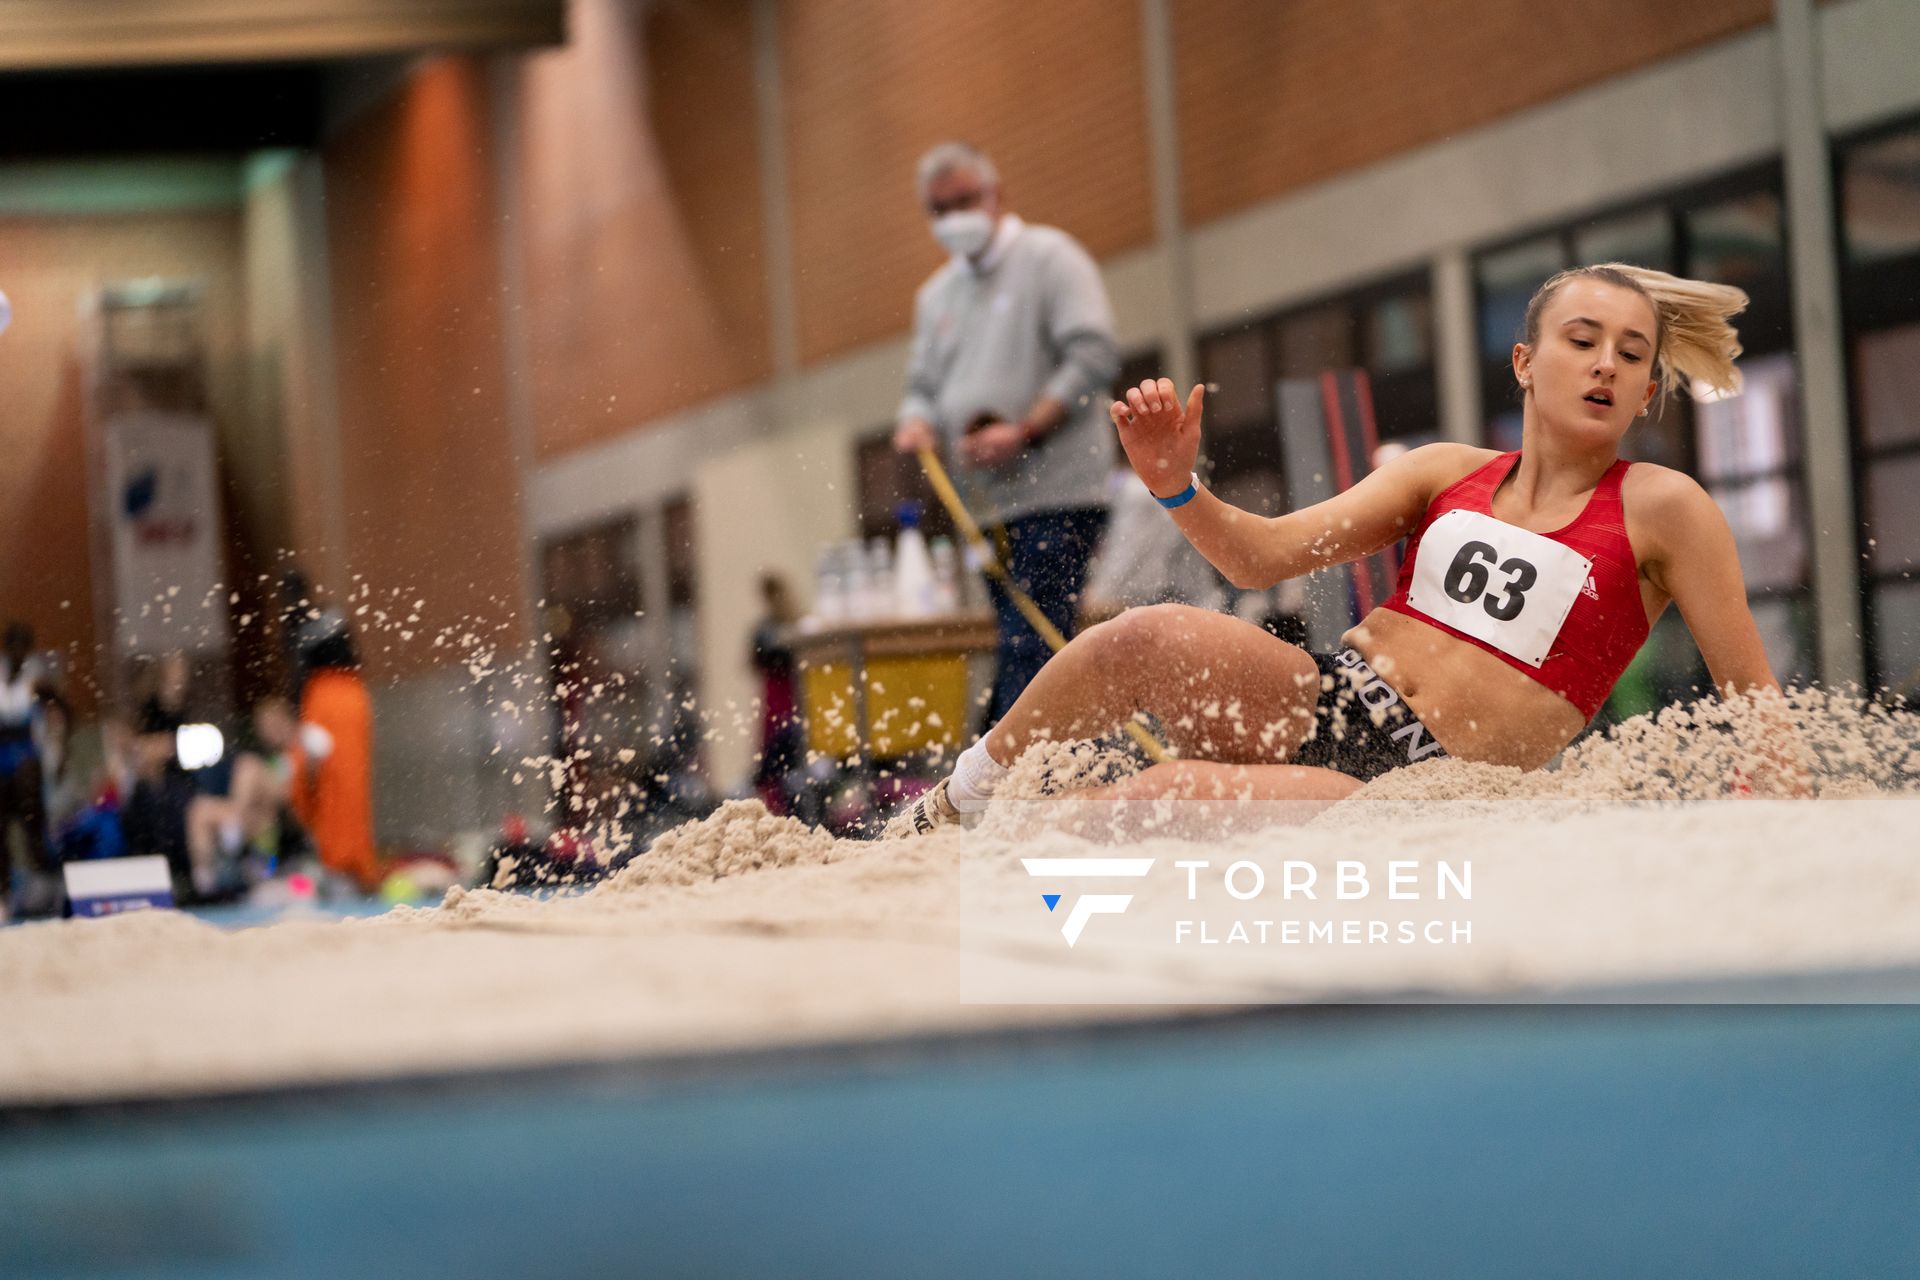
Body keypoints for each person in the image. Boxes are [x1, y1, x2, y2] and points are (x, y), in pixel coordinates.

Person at [887, 263, 1788, 836]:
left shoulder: (1665, 508)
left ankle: (1005, 869)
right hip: (1322, 695)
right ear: (1522, 362)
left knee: (1144, 800)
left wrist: (1775, 808)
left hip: (1427, 790)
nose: (1605, 366)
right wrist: (1175, 484)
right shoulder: (1445, 471)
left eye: (1633, 358)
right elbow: (1260, 558)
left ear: (1647, 396)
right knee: (1144, 636)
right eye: (1582, 341)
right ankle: (950, 806)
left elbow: (1759, 703)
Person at [893, 141, 1121, 723]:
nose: (955, 217)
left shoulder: (1051, 258)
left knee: (1033, 640)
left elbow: (1092, 354)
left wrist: (1025, 428)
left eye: (965, 200)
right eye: (940, 209)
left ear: (996, 195)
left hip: (1059, 493)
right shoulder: (935, 296)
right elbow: (920, 385)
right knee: (1024, 643)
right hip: (987, 507)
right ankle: (1029, 763)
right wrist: (916, 418)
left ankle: (1012, 770)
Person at [0, 623, 57, 911]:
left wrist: (64, 755)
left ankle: (45, 888)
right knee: (1, 831)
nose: (19, 653)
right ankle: (5, 892)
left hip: (25, 758)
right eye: (14, 647)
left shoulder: (38, 680)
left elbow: (64, 710)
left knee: (33, 825)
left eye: (25, 648)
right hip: (1, 759)